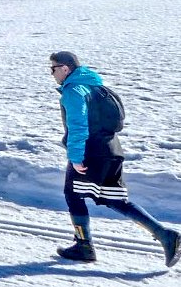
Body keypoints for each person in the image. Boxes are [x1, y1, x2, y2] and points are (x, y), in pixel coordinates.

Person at [49, 51, 179, 265]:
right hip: (111, 150)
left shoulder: (73, 91)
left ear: (65, 69)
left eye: (52, 68)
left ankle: (84, 246)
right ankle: (166, 235)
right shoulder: (99, 88)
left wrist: (76, 157)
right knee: (114, 199)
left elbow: (78, 126)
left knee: (72, 194)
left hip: (90, 151)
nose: (51, 73)